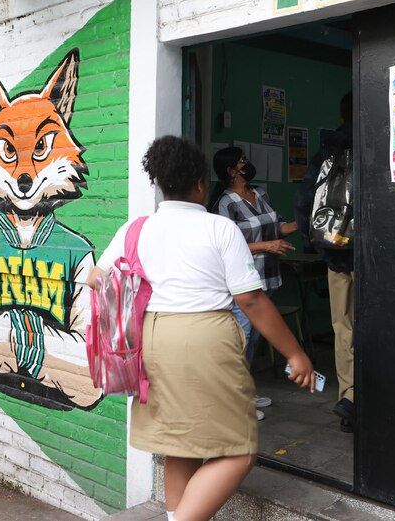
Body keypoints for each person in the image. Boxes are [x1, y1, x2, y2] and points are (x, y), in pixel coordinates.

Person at [88, 136, 315, 521]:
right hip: (205, 337)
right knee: (240, 450)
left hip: (153, 338)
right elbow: (251, 300)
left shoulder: (136, 229)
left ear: (160, 184)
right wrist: (295, 353)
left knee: (181, 445)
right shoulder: (219, 228)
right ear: (199, 183)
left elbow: (97, 277)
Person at [209, 146, 298, 420]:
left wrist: (303, 223)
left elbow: (277, 226)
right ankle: (235, 402)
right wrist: (267, 246)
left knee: (255, 338)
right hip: (243, 282)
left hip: (267, 278)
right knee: (242, 340)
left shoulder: (259, 193)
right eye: (241, 161)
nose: (246, 164)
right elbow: (225, 247)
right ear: (230, 171)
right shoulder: (225, 204)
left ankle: (245, 392)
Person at [295, 91, 355, 433]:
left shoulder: (327, 150)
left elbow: (305, 203)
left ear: (341, 115)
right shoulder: (380, 142)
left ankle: (350, 398)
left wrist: (320, 249)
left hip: (337, 255)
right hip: (374, 257)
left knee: (344, 328)